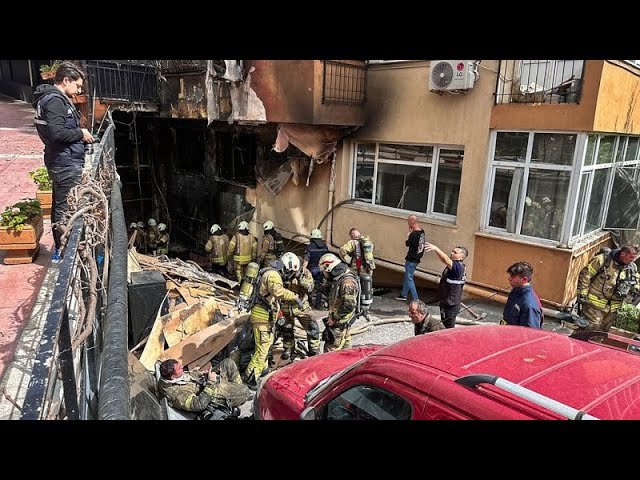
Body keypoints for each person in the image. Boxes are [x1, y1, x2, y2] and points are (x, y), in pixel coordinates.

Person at [32, 61, 94, 261]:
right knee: (66, 208)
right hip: (64, 163)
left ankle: (63, 249)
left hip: (60, 160)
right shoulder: (55, 101)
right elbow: (57, 133)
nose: (78, 91)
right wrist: (80, 133)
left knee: (60, 204)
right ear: (65, 80)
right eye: (76, 86)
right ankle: (65, 252)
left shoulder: (51, 99)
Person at [243, 251, 304, 389]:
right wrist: (295, 297)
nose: (288, 275)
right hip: (261, 317)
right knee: (262, 348)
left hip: (264, 316)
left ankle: (262, 372)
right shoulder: (273, 275)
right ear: (287, 267)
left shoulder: (270, 271)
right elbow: (277, 291)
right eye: (290, 272)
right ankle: (251, 377)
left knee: (267, 344)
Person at [577, 245, 640, 332]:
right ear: (623, 254)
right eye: (631, 257)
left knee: (601, 332)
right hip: (594, 303)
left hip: (613, 307)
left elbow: (635, 279)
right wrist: (582, 293)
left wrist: (636, 289)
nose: (632, 260)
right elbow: (585, 275)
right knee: (590, 327)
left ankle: (594, 345)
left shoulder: (632, 267)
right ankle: (575, 344)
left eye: (635, 258)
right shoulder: (602, 260)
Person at [158, 358, 252, 414]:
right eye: (179, 368)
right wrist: (211, 382)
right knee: (245, 390)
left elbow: (188, 376)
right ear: (173, 376)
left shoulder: (170, 377)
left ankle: (236, 391)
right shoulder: (177, 394)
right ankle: (242, 395)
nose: (182, 366)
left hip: (204, 383)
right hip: (208, 396)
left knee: (228, 363)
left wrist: (202, 374)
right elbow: (199, 405)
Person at [280, 257, 321, 360]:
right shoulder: (280, 271)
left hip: (302, 306)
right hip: (285, 306)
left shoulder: (305, 273)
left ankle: (314, 351)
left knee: (313, 328)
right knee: (286, 329)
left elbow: (310, 289)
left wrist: (300, 278)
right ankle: (288, 349)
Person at [318, 253, 360, 352]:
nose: (324, 274)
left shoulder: (347, 283)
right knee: (346, 351)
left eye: (325, 271)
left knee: (330, 351)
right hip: (343, 322)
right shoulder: (339, 276)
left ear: (329, 267)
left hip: (340, 322)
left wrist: (334, 317)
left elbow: (349, 305)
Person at [424, 243, 468, 328]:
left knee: (448, 329)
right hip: (446, 302)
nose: (452, 253)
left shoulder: (457, 267)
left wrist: (436, 248)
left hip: (450, 304)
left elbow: (445, 259)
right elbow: (445, 260)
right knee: (444, 326)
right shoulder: (454, 265)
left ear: (462, 257)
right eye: (452, 251)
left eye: (455, 253)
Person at [502, 261, 543, 329]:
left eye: (513, 277)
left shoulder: (529, 305)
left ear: (524, 280)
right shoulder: (516, 290)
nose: (509, 279)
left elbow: (530, 334)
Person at [396, 214, 426, 301]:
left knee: (409, 278)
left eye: (408, 222)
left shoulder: (414, 235)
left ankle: (416, 299)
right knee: (407, 276)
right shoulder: (422, 232)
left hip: (411, 259)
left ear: (411, 222)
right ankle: (403, 294)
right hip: (417, 258)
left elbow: (407, 243)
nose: (408, 224)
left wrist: (409, 234)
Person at [302, 228, 329, 308]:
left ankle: (309, 302)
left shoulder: (309, 247)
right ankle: (318, 304)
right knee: (319, 286)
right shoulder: (325, 247)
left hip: (311, 269)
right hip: (321, 269)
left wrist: (302, 270)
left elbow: (306, 261)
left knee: (308, 286)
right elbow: (326, 258)